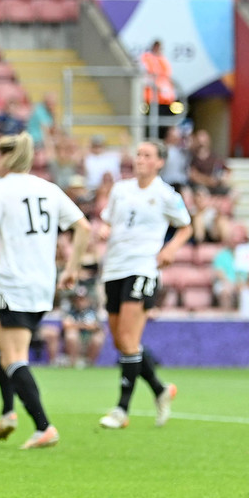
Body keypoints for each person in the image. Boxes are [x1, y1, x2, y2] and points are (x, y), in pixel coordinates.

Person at [0, 133, 91, 449]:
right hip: (43, 284)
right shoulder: (48, 188)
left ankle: (43, 426)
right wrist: (71, 269)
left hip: (15, 283)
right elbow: (83, 227)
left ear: (5, 157)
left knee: (14, 356)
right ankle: (8, 413)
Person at [97, 141, 191, 430]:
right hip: (114, 268)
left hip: (142, 268)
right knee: (122, 342)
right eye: (138, 154)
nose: (140, 159)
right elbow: (108, 221)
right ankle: (160, 390)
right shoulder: (120, 190)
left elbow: (186, 226)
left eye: (146, 155)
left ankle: (121, 410)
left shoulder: (165, 194)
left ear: (159, 162)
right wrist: (105, 229)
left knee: (127, 338)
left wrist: (170, 248)